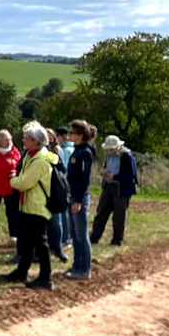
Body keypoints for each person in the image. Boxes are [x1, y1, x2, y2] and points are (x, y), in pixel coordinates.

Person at [2, 122, 58, 291]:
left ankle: (46, 277)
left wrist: (12, 180)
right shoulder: (30, 156)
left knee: (40, 243)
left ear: (35, 141)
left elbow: (24, 183)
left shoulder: (39, 161)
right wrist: (18, 179)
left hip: (38, 206)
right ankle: (22, 272)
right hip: (29, 205)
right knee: (26, 241)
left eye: (26, 138)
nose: (23, 140)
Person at [91, 135, 138, 246]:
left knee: (118, 215)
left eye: (111, 148)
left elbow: (132, 175)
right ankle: (94, 237)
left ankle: (117, 240)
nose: (109, 150)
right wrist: (105, 172)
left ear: (118, 146)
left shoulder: (127, 157)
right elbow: (107, 167)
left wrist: (115, 177)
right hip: (108, 187)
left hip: (121, 189)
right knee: (101, 212)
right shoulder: (109, 156)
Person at [65, 120, 98, 280]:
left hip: (79, 197)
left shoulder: (85, 153)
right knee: (74, 233)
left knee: (81, 234)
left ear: (79, 135)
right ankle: (77, 265)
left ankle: (84, 268)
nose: (68, 135)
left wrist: (78, 201)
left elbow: (84, 179)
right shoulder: (76, 151)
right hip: (72, 195)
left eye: (71, 132)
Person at [45, 134, 70, 263]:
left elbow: (62, 169)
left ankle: (57, 248)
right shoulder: (31, 153)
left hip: (53, 192)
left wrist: (55, 155)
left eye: (51, 138)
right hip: (38, 192)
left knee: (55, 222)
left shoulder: (53, 154)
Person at [55, 127, 75, 248]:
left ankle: (66, 238)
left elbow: (65, 170)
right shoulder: (72, 148)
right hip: (71, 184)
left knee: (64, 212)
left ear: (61, 137)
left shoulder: (66, 150)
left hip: (65, 183)